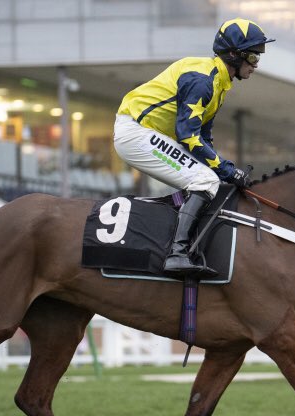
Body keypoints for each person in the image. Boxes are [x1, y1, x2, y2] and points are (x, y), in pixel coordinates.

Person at [114, 18, 275, 276]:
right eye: (253, 57)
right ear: (234, 55)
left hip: (146, 133)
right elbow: (187, 137)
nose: (256, 65)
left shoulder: (219, 83)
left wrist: (226, 172)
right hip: (135, 133)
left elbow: (203, 137)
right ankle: (176, 253)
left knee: (211, 178)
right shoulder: (203, 80)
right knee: (204, 180)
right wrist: (228, 169)